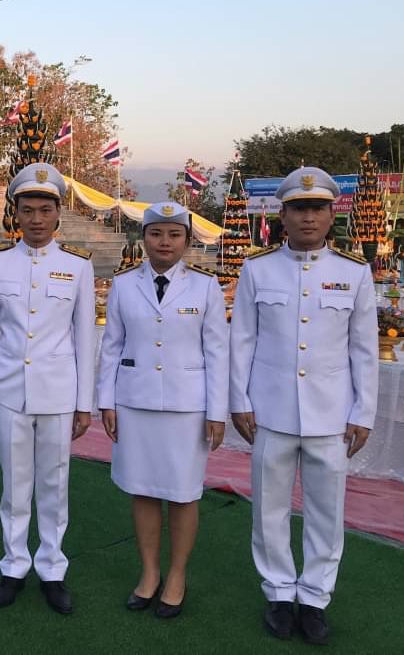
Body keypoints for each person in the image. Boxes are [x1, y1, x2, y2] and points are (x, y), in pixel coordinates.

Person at [229, 167, 378, 645]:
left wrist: (363, 412)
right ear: (283, 216)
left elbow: (364, 349)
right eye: (298, 209)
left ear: (332, 215)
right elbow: (242, 340)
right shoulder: (258, 269)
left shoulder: (354, 272)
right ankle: (278, 592)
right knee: (268, 508)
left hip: (331, 414)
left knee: (326, 512)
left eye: (317, 208)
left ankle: (314, 598)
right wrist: (239, 400)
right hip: (270, 410)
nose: (308, 217)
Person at [96, 202, 228, 619]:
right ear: (144, 238)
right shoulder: (123, 284)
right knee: (143, 489)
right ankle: (150, 572)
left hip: (188, 407)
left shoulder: (205, 286)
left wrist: (217, 410)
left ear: (187, 240)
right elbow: (111, 346)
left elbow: (217, 352)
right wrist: (106, 401)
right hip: (134, 401)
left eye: (174, 234)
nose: (164, 242)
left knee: (184, 493)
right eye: (156, 233)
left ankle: (176, 575)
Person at [0, 162, 95, 615]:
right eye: (28, 210)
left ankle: (52, 568)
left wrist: (84, 403)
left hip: (59, 391)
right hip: (10, 390)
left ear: (58, 213)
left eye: (46, 210)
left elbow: (85, 337)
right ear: (16, 214)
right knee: (14, 483)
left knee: (54, 483)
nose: (38, 219)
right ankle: (13, 565)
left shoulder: (77, 266)